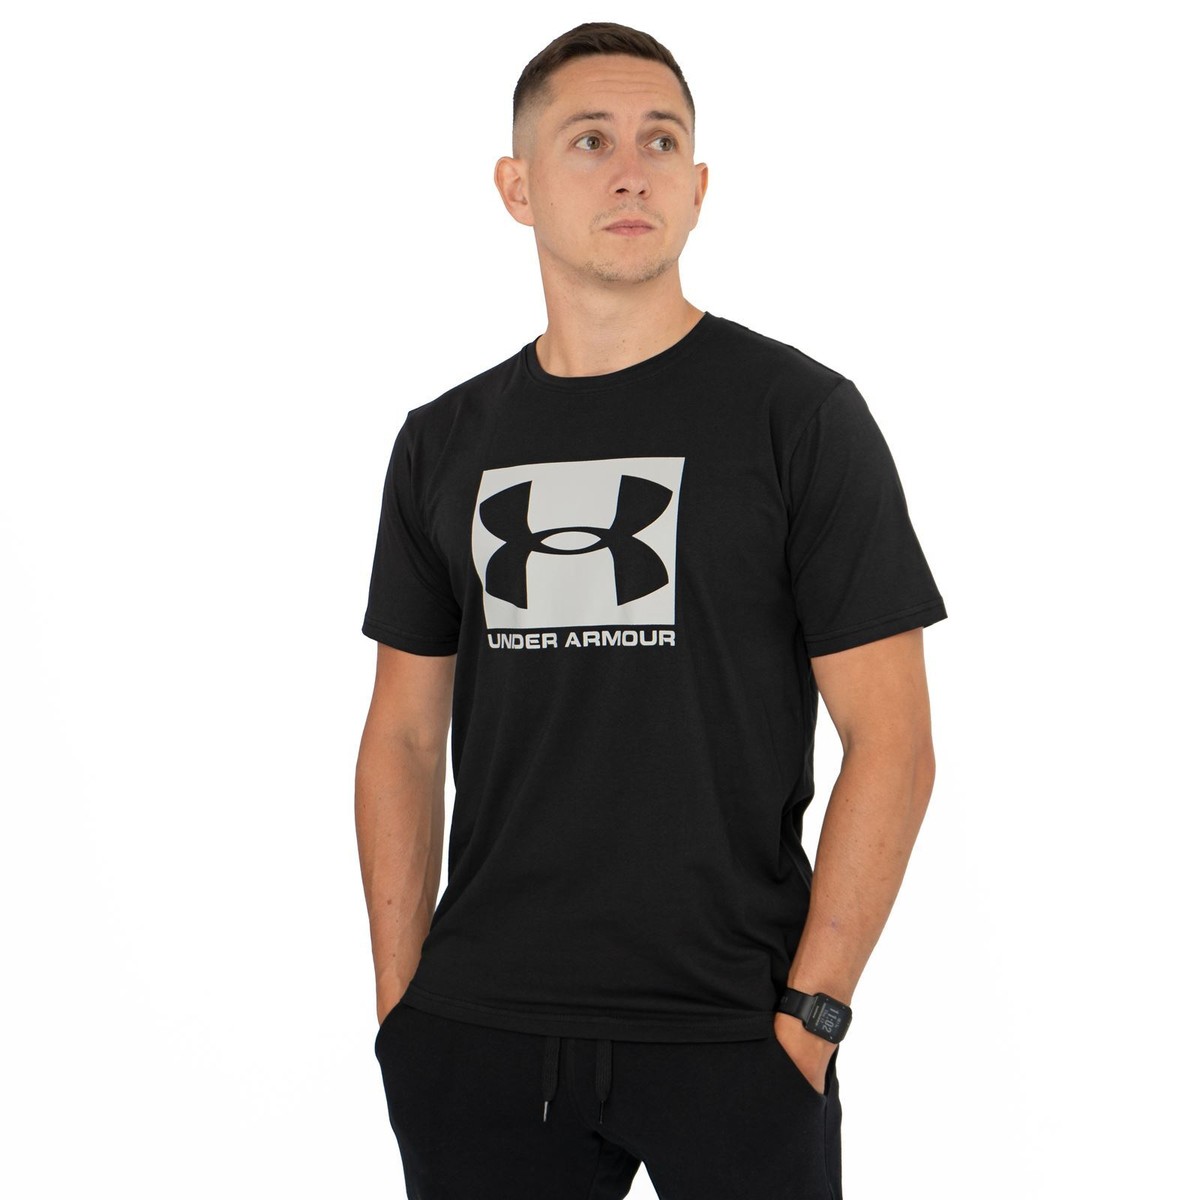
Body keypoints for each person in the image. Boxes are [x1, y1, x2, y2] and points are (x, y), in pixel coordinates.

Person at [355, 20, 946, 1200]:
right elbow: (404, 736)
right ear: (517, 187)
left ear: (699, 185)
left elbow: (893, 740)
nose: (632, 170)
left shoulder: (800, 418)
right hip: (479, 1034)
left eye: (661, 141)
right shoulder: (442, 442)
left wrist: (812, 1018)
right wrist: (403, 1008)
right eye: (590, 140)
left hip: (735, 1035)